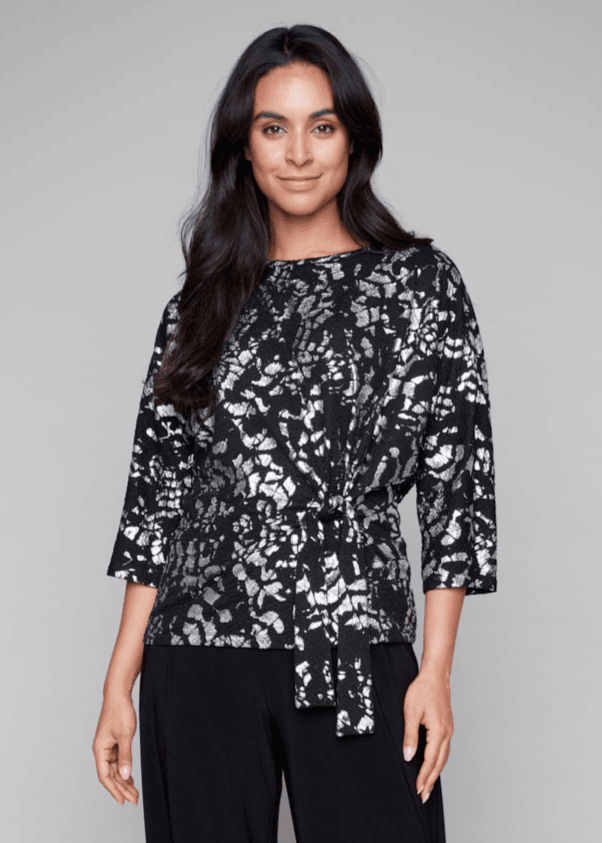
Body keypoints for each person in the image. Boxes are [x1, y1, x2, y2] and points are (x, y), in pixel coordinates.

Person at [92, 23, 497, 843]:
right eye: (273, 128)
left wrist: (436, 670)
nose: (300, 153)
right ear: (244, 147)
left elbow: (457, 494)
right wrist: (118, 681)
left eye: (323, 125)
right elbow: (157, 501)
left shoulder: (419, 287)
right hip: (198, 651)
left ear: (354, 138)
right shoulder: (199, 304)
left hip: (353, 643)